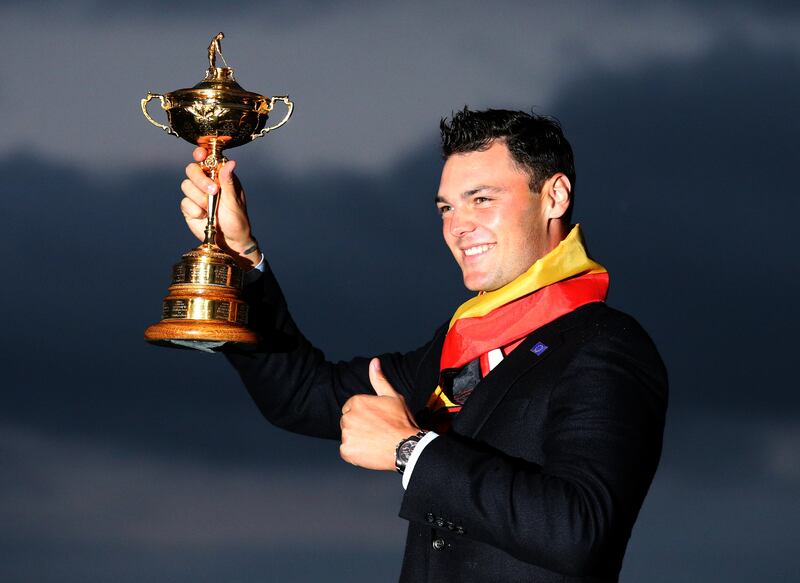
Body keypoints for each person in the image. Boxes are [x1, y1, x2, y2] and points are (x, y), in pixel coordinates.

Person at [179, 108, 668, 582]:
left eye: (482, 199)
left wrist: (410, 449)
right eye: (447, 207)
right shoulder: (456, 345)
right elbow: (302, 395)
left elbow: (579, 532)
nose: (457, 226)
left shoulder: (605, 346)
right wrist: (237, 256)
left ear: (555, 196)